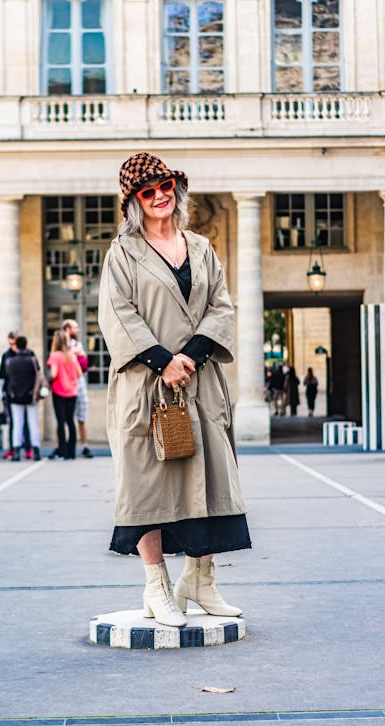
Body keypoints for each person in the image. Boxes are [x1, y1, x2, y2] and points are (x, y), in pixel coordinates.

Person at [98, 151, 250, 628]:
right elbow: (118, 314)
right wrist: (164, 361)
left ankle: (200, 581)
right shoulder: (123, 253)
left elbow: (222, 306)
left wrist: (193, 354)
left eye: (165, 186)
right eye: (148, 191)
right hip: (145, 386)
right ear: (134, 203)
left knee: (209, 477)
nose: (160, 195)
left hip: (200, 382)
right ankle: (156, 586)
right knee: (145, 485)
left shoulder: (201, 247)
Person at [4, 335, 41, 462]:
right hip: (31, 396)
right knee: (33, 423)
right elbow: (37, 375)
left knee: (17, 424)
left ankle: (16, 451)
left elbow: (7, 378)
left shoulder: (10, 361)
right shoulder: (32, 359)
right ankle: (36, 450)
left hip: (15, 396)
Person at [0, 331, 34, 459]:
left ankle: (28, 448)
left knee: (27, 422)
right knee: (13, 422)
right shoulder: (7, 356)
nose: (13, 347)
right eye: (11, 344)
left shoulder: (30, 355)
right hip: (12, 392)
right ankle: (14, 448)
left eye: (15, 344)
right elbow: (2, 374)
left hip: (27, 391)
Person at [47, 329, 81, 460]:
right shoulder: (72, 356)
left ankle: (62, 451)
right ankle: (71, 452)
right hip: (72, 392)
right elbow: (79, 373)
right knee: (70, 421)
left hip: (59, 391)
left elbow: (54, 374)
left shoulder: (54, 355)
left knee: (61, 422)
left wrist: (49, 379)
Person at [62, 320, 93, 458]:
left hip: (78, 381)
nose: (78, 330)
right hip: (65, 382)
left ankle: (84, 445)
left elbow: (83, 358)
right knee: (63, 417)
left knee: (81, 415)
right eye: (75, 327)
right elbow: (61, 358)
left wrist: (74, 353)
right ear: (68, 329)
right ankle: (62, 446)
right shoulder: (60, 343)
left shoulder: (77, 344)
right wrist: (74, 353)